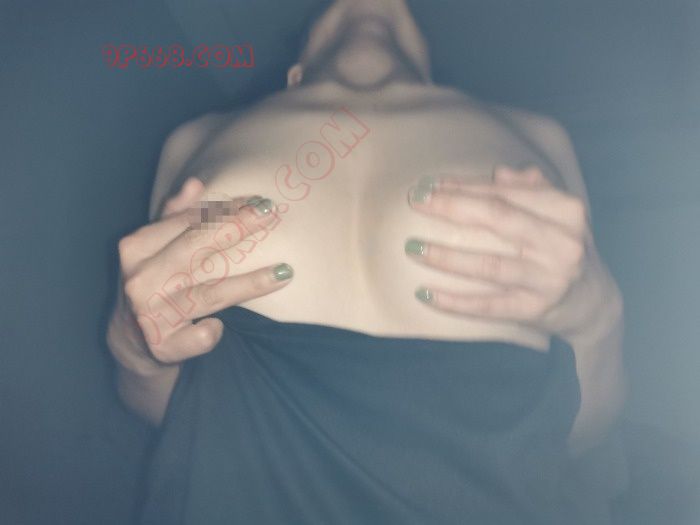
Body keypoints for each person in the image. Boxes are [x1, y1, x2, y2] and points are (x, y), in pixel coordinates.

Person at [107, 0, 628, 523]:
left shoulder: (537, 134)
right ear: (295, 75)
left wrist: (595, 318)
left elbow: (582, 434)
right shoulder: (194, 138)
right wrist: (137, 349)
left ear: (429, 70)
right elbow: (163, 409)